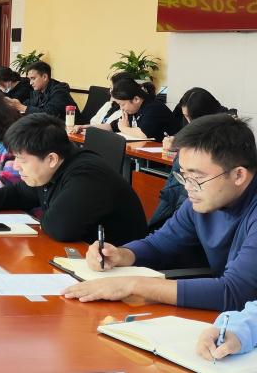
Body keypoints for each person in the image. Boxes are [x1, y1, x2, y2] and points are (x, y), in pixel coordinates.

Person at [60, 115, 257, 312]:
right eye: (184, 175)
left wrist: (134, 285)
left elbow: (235, 292)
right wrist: (122, 255)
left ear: (238, 175)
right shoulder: (201, 200)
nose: (187, 187)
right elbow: (160, 244)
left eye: (197, 177)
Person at [0, 113, 147, 245]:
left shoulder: (87, 176)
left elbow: (60, 228)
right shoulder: (55, 165)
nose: (16, 166)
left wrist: (41, 210)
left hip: (117, 268)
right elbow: (20, 193)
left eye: (21, 160)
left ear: (51, 159)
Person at [149, 88, 228, 232]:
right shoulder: (196, 123)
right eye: (185, 116)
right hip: (180, 194)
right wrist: (174, 142)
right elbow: (180, 138)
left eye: (190, 117)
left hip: (196, 197)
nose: (188, 122)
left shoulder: (224, 132)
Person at [73, 79, 178, 140]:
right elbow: (111, 126)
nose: (121, 108)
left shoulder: (153, 108)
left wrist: (123, 128)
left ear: (136, 99)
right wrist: (86, 127)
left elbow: (143, 134)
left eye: (122, 104)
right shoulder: (133, 109)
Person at [6, 61, 78, 119]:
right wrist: (14, 105)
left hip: (71, 130)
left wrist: (21, 107)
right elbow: (27, 105)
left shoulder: (59, 91)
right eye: (29, 79)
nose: (30, 83)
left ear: (45, 77)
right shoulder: (36, 92)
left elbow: (50, 114)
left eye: (33, 78)